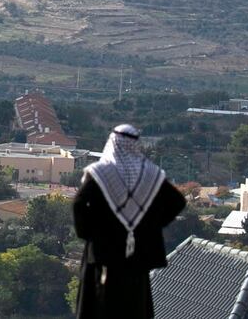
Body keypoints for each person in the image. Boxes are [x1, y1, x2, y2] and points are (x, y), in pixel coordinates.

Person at [73, 124, 186, 319]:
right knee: (135, 303)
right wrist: (150, 226)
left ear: (112, 142)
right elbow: (177, 201)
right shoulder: (150, 174)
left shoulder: (100, 173)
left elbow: (79, 204)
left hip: (104, 253)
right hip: (138, 254)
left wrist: (89, 234)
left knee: (101, 304)